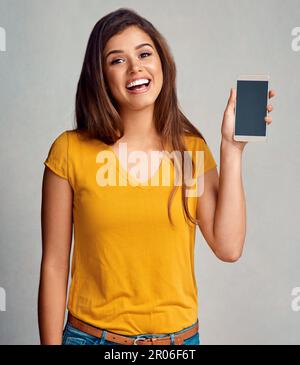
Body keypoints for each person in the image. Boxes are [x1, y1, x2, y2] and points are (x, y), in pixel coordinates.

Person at [38, 8, 275, 345]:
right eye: (117, 60)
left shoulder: (191, 151)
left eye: (145, 54)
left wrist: (232, 149)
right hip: (92, 338)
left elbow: (229, 246)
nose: (135, 67)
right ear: (100, 76)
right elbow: (54, 265)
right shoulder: (69, 151)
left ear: (162, 63)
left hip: (177, 345)